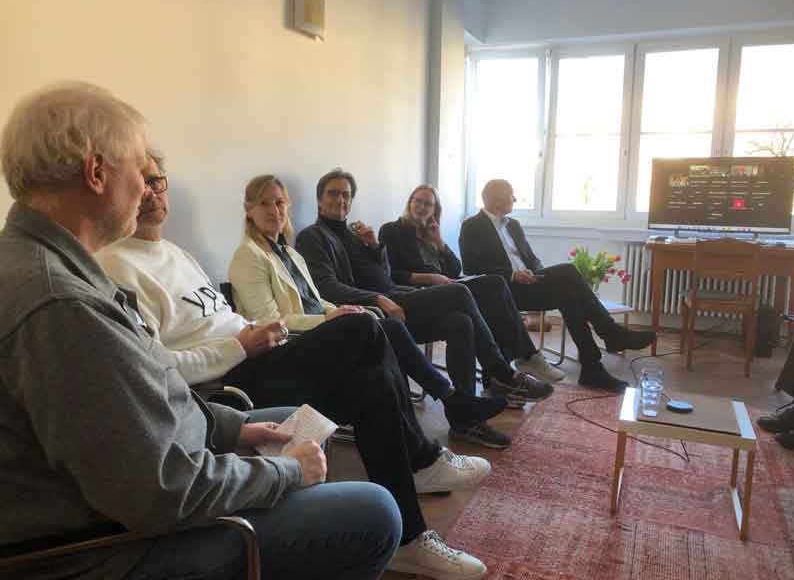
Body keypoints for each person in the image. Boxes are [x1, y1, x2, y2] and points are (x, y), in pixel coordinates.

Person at [0, 82, 401, 580]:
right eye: (141, 171)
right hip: (109, 548)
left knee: (297, 416)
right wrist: (287, 472)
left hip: (146, 481)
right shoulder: (60, 304)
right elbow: (161, 491)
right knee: (375, 513)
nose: (148, 187)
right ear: (97, 173)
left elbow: (146, 394)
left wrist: (228, 427)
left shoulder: (53, 265)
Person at [96, 153, 491, 580]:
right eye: (141, 182)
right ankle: (424, 457)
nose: (151, 193)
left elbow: (230, 318)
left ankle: (409, 540)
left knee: (373, 381)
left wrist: (255, 333)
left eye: (157, 181)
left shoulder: (177, 254)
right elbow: (157, 370)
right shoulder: (115, 266)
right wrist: (240, 346)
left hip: (261, 352)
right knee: (365, 327)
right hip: (229, 385)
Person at [228, 174, 508, 448]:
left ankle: (458, 414)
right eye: (264, 203)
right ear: (249, 209)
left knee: (458, 321)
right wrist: (339, 314)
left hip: (343, 318)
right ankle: (486, 382)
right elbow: (270, 322)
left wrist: (369, 261)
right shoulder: (253, 254)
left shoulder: (291, 253)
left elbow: (321, 297)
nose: (274, 210)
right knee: (441, 302)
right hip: (294, 346)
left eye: (279, 203)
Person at [295, 169, 554, 437]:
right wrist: (378, 298)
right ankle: (502, 373)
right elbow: (326, 287)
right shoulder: (312, 237)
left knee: (461, 322)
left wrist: (374, 248)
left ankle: (464, 420)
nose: (340, 200)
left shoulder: (354, 235)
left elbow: (384, 276)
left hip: (398, 297)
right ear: (319, 199)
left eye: (346, 195)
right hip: (377, 310)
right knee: (461, 292)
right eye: (333, 194)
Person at [459, 179, 656, 393]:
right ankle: (610, 336)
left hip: (530, 283)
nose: (514, 199)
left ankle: (593, 367)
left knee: (569, 294)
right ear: (497, 200)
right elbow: (471, 267)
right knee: (568, 273)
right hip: (503, 291)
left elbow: (531, 258)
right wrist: (512, 274)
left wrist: (537, 273)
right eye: (511, 195)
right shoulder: (472, 227)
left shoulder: (513, 225)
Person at [379, 184, 565, 384]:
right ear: (410, 203)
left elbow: (455, 270)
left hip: (449, 286)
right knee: (493, 288)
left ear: (434, 210)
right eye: (418, 201)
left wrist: (439, 242)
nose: (422, 207)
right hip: (420, 292)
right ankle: (522, 359)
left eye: (428, 204)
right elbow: (390, 274)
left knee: (495, 286)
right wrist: (430, 278)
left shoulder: (431, 234)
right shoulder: (391, 230)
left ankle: (501, 373)